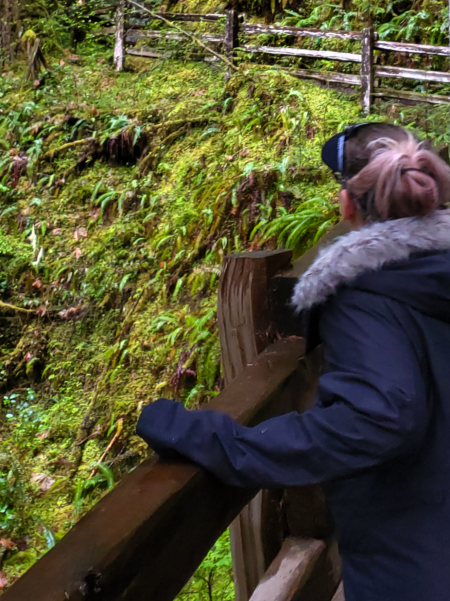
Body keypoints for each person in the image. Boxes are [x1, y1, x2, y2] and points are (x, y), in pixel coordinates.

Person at [137, 122, 450, 601]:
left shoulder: (367, 295)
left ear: (347, 206)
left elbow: (378, 416)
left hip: (414, 562)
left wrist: (220, 439)